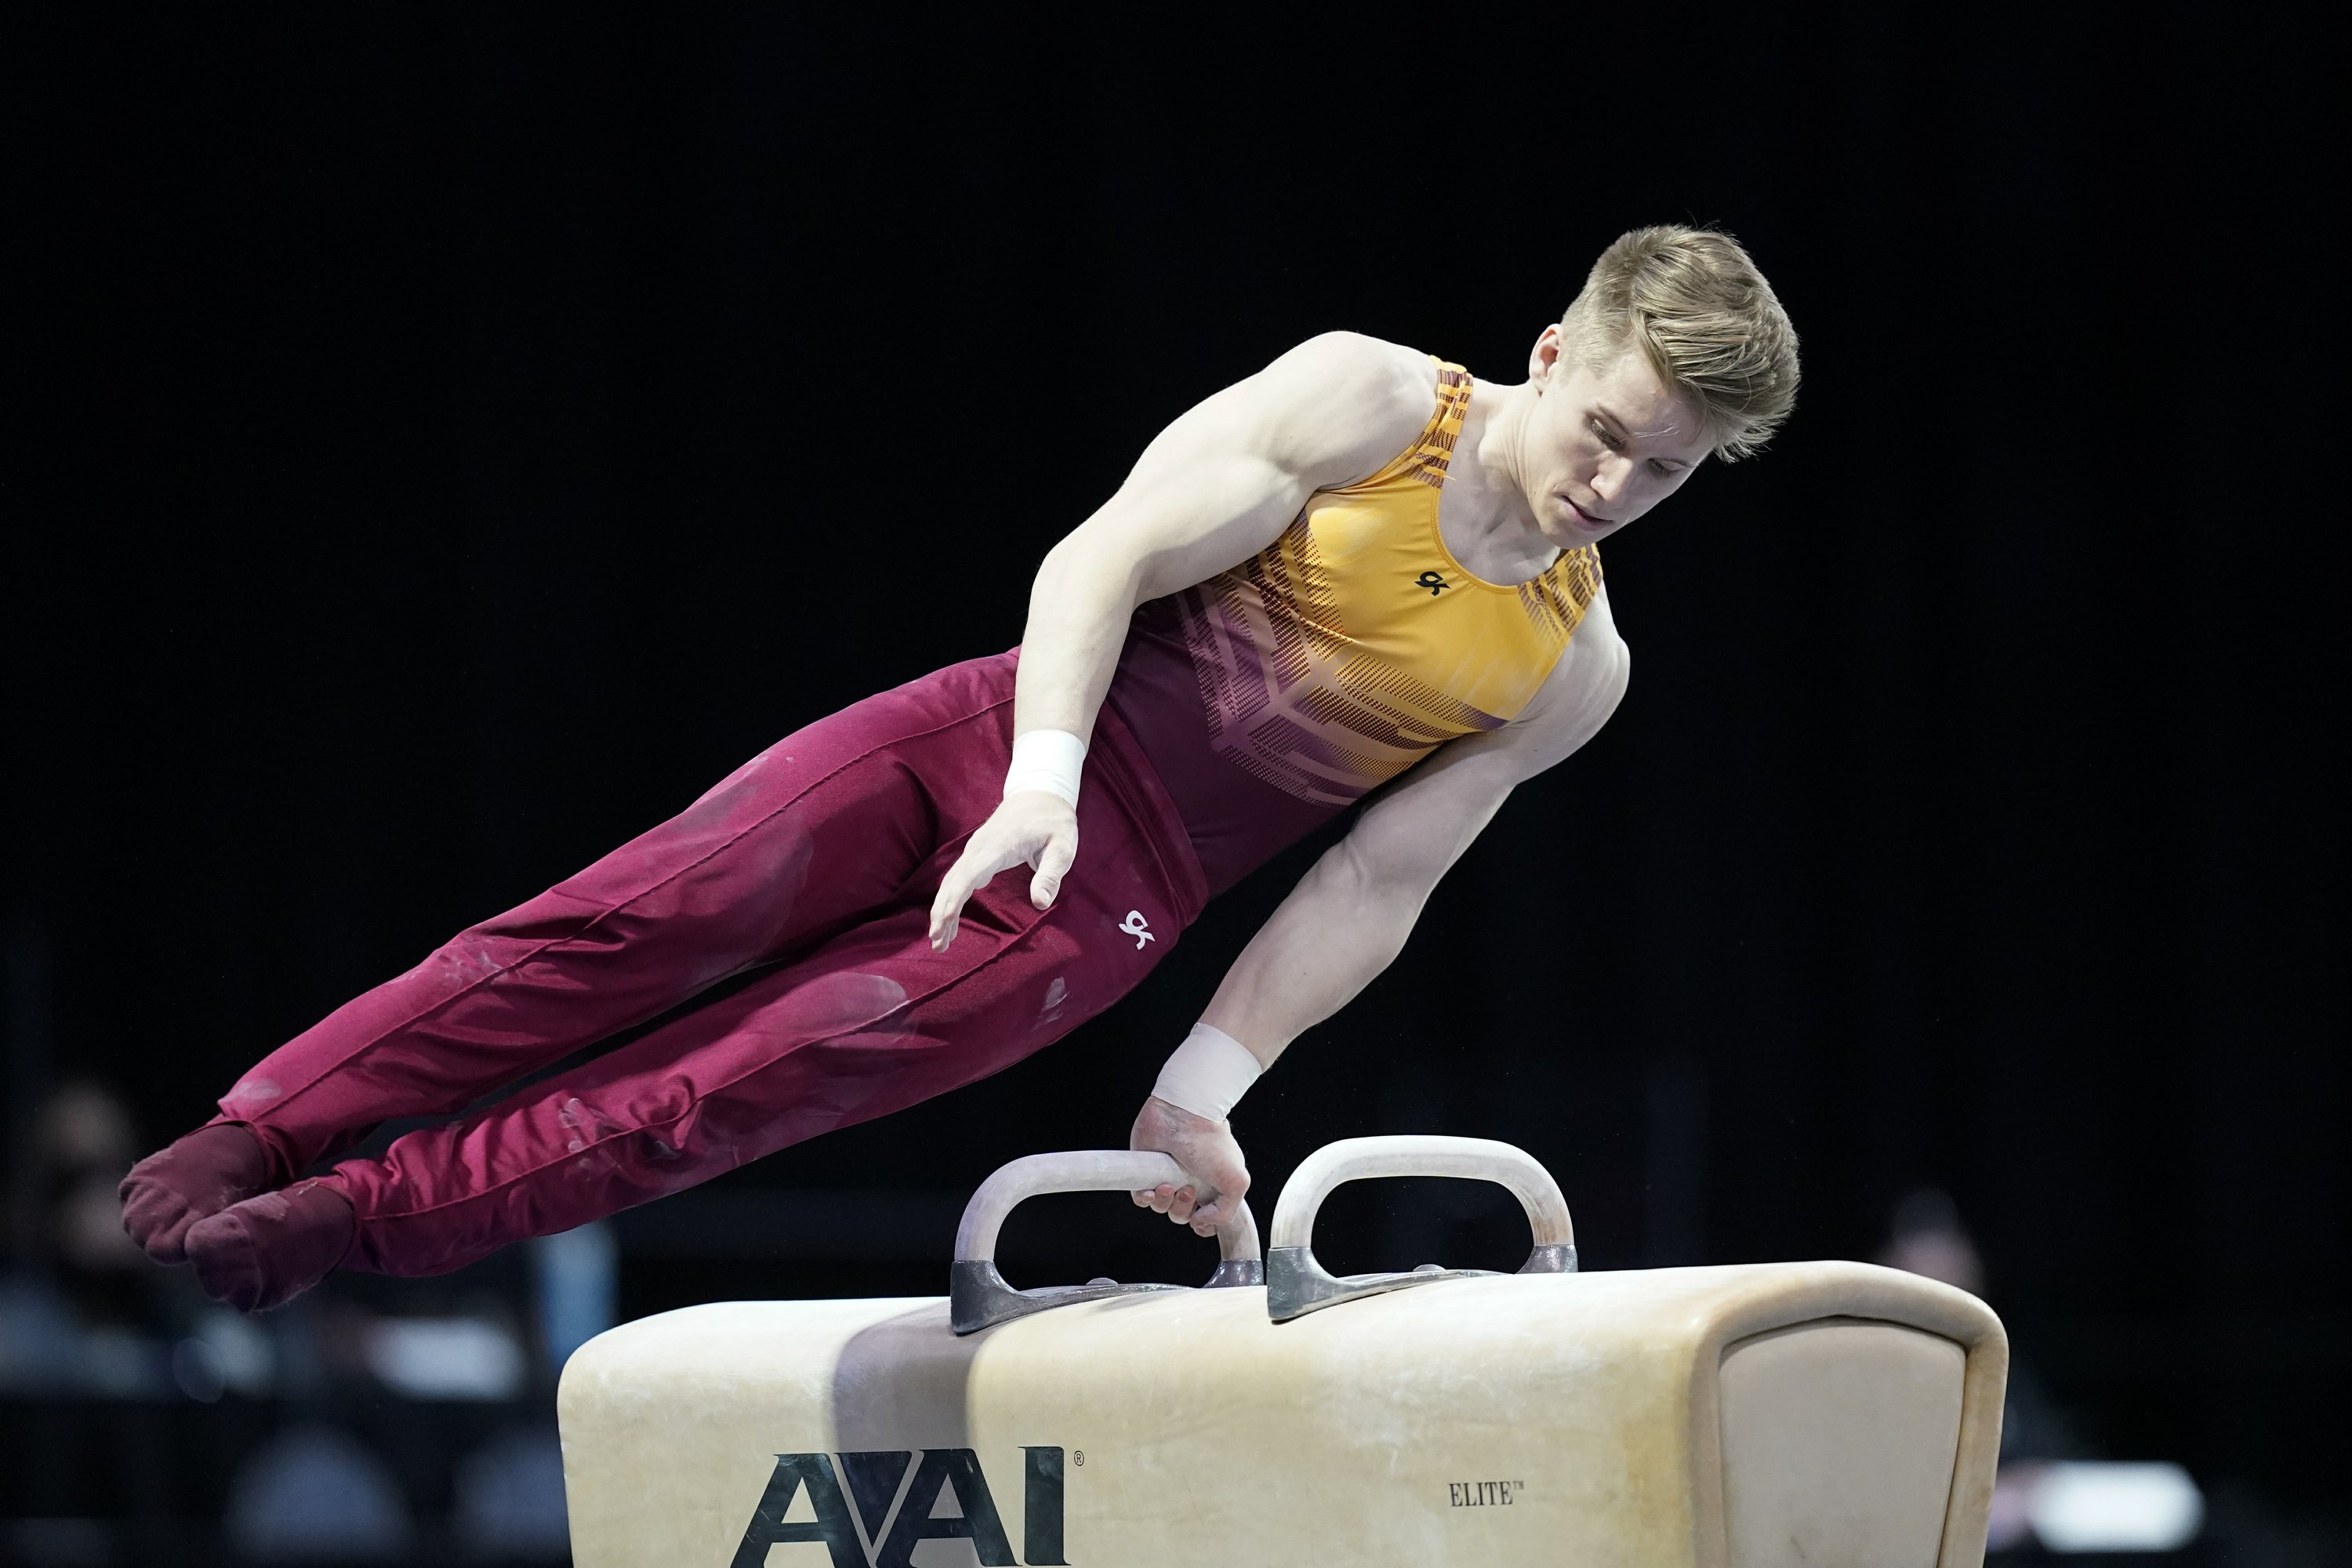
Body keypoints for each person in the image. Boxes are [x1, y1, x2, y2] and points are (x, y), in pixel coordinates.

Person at [119, 225, 1800, 1312]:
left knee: (720, 1092)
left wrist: (1199, 1091)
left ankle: (351, 1220)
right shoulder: (1372, 404)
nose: (1613, 482)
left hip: (1113, 913)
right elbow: (1105, 554)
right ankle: (256, 1131)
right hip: (993, 742)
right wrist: (1044, 776)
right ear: (1558, 349)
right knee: (607, 931)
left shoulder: (1574, 669)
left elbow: (1375, 879)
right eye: (1608, 428)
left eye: (1666, 473)